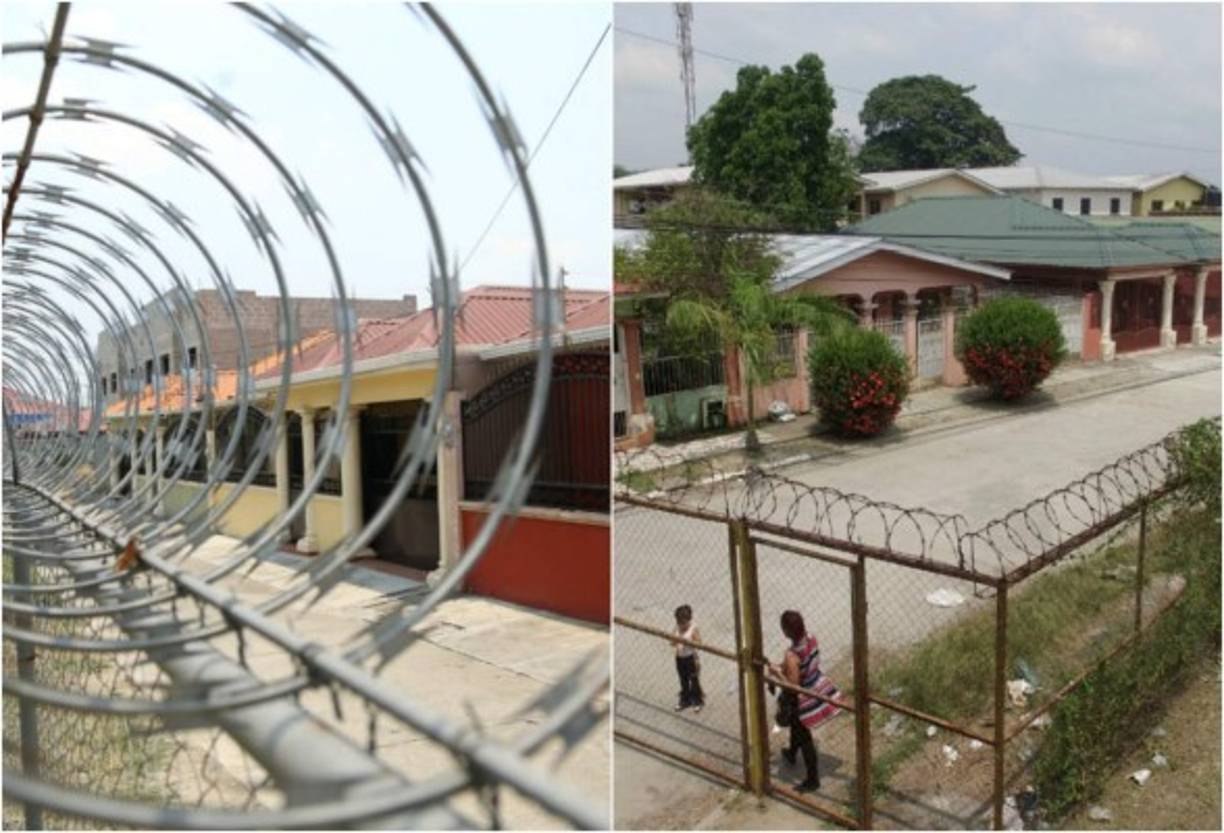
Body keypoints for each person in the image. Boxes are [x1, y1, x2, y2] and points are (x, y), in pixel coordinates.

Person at [769, 609, 841, 793]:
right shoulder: (811, 638)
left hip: (803, 695)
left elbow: (793, 686)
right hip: (815, 682)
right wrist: (781, 666)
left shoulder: (791, 655)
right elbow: (804, 665)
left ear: (786, 631)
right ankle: (792, 753)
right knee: (795, 724)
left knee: (803, 734)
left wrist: (777, 673)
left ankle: (812, 779)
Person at [672, 604, 704, 713]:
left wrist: (688, 642)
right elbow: (671, 641)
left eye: (683, 623)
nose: (681, 625)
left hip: (690, 658)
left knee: (693, 679)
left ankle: (698, 700)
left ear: (688, 620)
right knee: (683, 679)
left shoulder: (693, 628)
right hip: (679, 657)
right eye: (679, 622)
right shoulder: (677, 627)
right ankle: (685, 699)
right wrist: (675, 641)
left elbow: (699, 642)